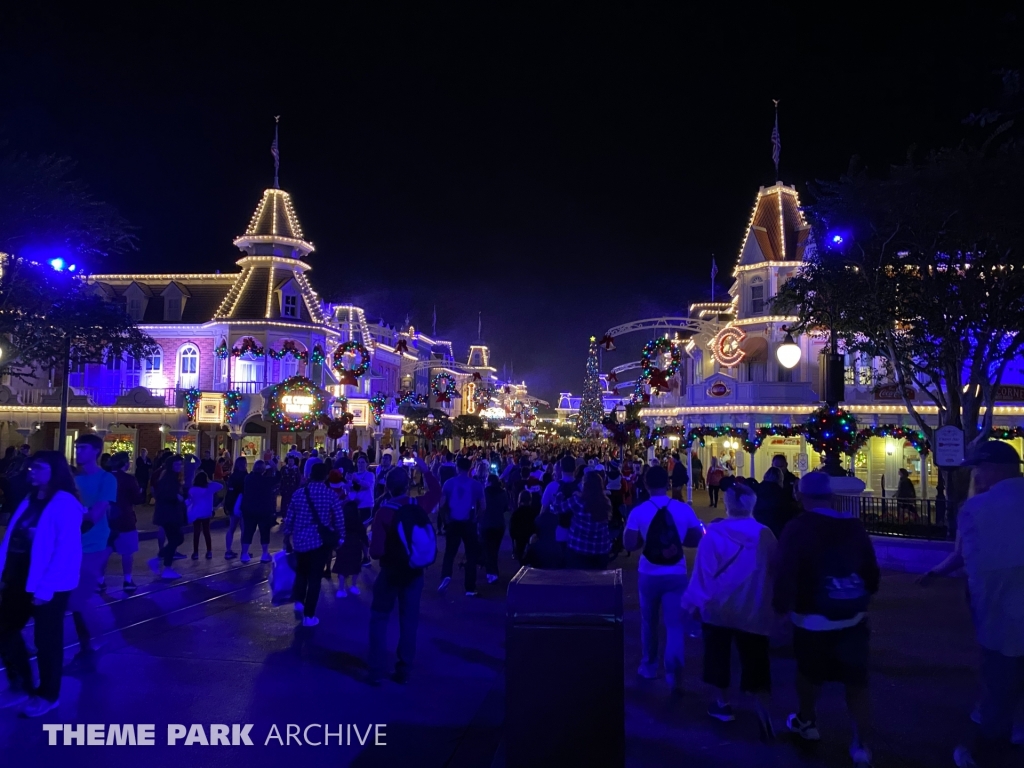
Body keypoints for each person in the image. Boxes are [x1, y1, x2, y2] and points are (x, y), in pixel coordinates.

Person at [773, 471, 879, 768]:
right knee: (856, 682)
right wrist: (865, 594)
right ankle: (861, 744)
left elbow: (785, 571)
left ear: (800, 496)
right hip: (852, 615)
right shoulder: (853, 526)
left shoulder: (797, 528)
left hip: (812, 617)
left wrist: (780, 608)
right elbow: (870, 569)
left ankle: (807, 720)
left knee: (809, 674)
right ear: (831, 496)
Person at [683, 481, 777, 739]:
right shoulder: (765, 534)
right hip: (753, 606)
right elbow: (774, 570)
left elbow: (703, 574)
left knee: (718, 656)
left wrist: (693, 603)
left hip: (719, 608)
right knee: (757, 659)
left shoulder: (714, 534)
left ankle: (722, 703)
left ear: (727, 505)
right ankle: (763, 709)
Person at [952, 442, 1024, 768]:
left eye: (978, 469)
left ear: (993, 469)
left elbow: (976, 567)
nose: (976, 476)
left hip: (1002, 618)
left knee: (998, 689)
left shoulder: (976, 509)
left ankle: (987, 755)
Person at [0, 451, 83, 717]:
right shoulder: (30, 498)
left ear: (54, 471)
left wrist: (45, 589)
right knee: (5, 629)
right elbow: (12, 538)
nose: (32, 472)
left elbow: (65, 550)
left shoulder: (65, 503)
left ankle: (48, 694)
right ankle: (22, 683)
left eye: (38, 468)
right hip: (19, 576)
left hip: (50, 582)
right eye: (31, 468)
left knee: (46, 640)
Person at [623, 465, 704, 692]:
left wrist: (645, 540)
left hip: (649, 572)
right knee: (674, 624)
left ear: (646, 484)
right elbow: (695, 538)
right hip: (676, 572)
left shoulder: (639, 511)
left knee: (649, 622)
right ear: (667, 483)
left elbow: (629, 543)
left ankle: (649, 666)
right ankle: (673, 670)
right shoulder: (683, 509)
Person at [368, 457, 441, 684]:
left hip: (390, 571)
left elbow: (376, 552)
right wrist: (426, 470)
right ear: (408, 485)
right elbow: (437, 491)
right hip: (414, 571)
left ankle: (376, 668)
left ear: (388, 487)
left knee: (379, 618)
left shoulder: (383, 512)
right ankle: (404, 668)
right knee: (409, 620)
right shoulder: (418, 505)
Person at [69, 434, 117, 667]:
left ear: (96, 451)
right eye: (78, 448)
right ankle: (86, 641)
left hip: (93, 543)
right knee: (71, 595)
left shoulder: (106, 479)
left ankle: (94, 636)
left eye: (84, 448)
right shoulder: (73, 479)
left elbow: (96, 514)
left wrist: (73, 513)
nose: (79, 452)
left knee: (78, 596)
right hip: (70, 542)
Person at [282, 462, 344, 627]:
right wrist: (340, 538)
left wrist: (287, 535)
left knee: (301, 572)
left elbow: (290, 516)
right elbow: (338, 518)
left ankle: (299, 601)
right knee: (315, 578)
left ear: (310, 475)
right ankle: (309, 616)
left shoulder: (299, 493)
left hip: (300, 541)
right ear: (325, 476)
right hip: (320, 542)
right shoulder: (330, 494)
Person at [438, 456, 485, 596]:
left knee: (449, 552)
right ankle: (470, 587)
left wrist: (445, 519)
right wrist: (477, 518)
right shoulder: (476, 485)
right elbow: (483, 506)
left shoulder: (448, 483)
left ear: (457, 468)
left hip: (453, 521)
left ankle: (446, 575)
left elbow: (441, 504)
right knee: (471, 554)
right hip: (469, 521)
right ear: (470, 468)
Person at [551, 470, 612, 570]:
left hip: (579, 549)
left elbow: (556, 509)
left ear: (585, 486)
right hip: (601, 550)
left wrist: (559, 496)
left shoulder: (577, 501)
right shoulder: (606, 502)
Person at [106, 452, 142, 594]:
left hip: (107, 519)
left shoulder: (105, 477)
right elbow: (137, 499)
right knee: (127, 551)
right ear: (125, 463)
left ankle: (100, 581)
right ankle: (127, 580)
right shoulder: (128, 479)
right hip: (125, 518)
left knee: (105, 550)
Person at [150, 455, 185, 580]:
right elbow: (165, 495)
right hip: (169, 515)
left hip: (170, 514)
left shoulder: (172, 477)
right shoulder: (168, 478)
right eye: (176, 464)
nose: (179, 466)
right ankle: (167, 567)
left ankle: (159, 559)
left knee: (176, 539)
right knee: (175, 539)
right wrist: (177, 498)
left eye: (180, 464)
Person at [240, 460, 278, 563]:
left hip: (249, 509)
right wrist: (274, 467)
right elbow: (277, 478)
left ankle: (244, 553)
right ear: (263, 469)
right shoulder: (266, 481)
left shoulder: (248, 479)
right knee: (264, 532)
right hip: (264, 510)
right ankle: (264, 554)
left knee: (248, 531)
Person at [480, 474, 509, 583]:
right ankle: (493, 571)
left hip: (486, 523)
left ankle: (490, 572)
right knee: (495, 549)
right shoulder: (503, 493)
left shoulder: (484, 492)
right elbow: (505, 508)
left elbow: (480, 506)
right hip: (499, 524)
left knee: (487, 549)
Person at [187, 471, 222, 560]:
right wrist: (209, 481)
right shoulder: (210, 488)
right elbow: (220, 486)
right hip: (206, 513)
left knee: (196, 532)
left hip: (196, 513)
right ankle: (209, 551)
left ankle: (195, 553)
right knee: (206, 532)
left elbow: (190, 500)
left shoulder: (193, 489)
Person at [753, 467, 794, 539]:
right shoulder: (782, 494)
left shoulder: (756, 491)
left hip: (758, 528)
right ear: (780, 479)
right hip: (776, 531)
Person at [223, 457, 248, 559]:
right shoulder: (245, 476)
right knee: (244, 529)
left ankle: (228, 550)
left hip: (232, 504)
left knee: (231, 528)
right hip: (242, 504)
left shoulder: (232, 476)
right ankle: (244, 551)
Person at [509, 490, 539, 562]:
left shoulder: (516, 513)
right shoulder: (534, 512)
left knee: (521, 561)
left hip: (519, 540)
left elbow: (512, 530)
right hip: (531, 540)